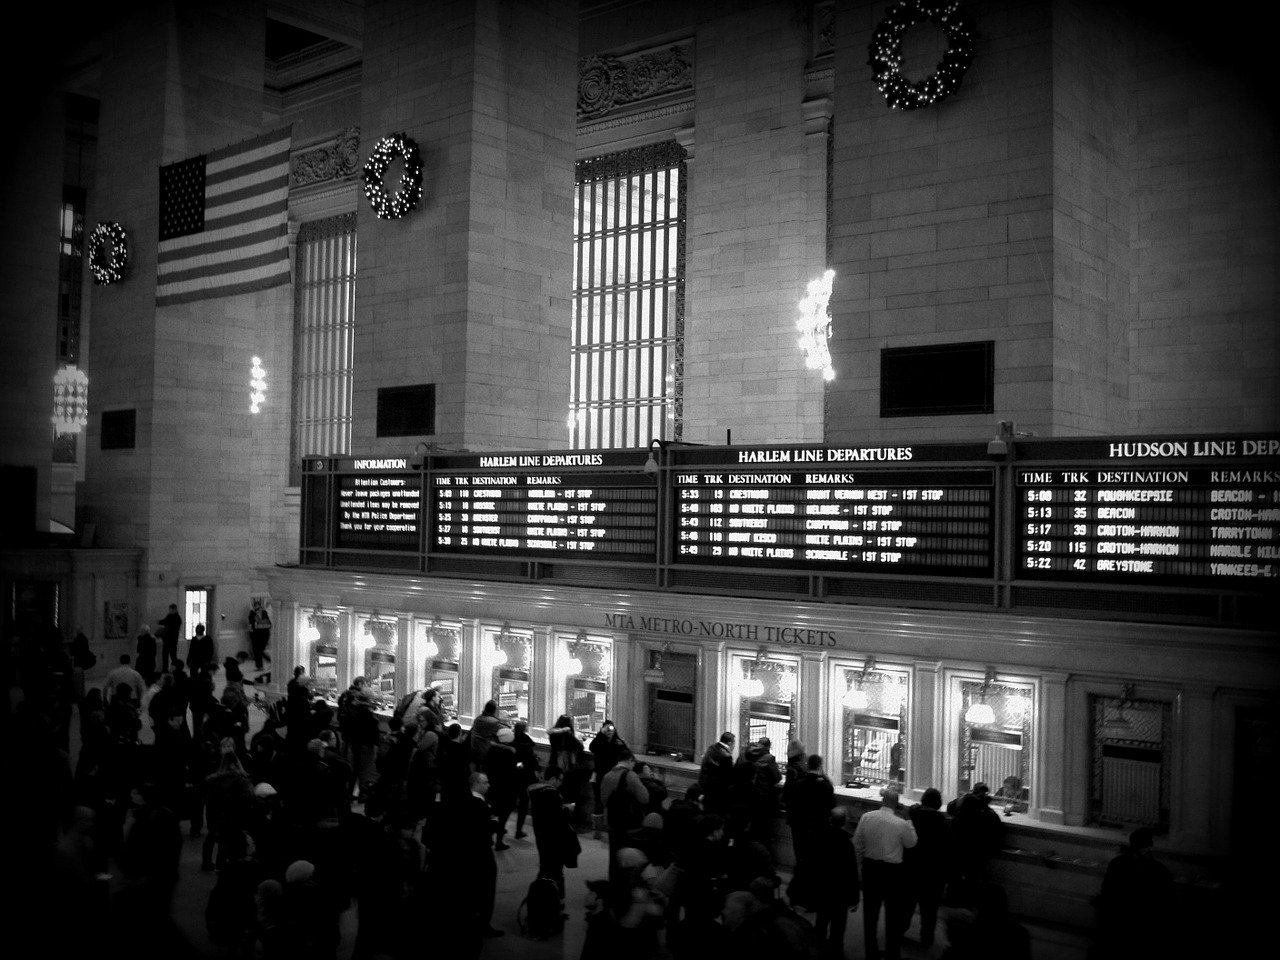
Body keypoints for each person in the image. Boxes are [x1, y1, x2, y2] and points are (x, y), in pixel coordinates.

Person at [852, 787, 917, 960]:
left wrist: (859, 868)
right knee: (893, 915)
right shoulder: (901, 823)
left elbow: (857, 844)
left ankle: (870, 953)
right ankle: (891, 953)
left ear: (882, 801)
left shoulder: (867, 818)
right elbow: (911, 843)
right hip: (893, 873)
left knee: (870, 914)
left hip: (871, 868)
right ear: (897, 805)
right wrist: (909, 819)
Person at [1095, 826, 1174, 958]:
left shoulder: (1119, 864)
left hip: (1127, 921)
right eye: (1145, 846)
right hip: (1136, 921)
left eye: (1150, 845)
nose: (1149, 849)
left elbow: (1108, 891)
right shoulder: (1158, 870)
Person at [903, 787, 949, 949]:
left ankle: (899, 933)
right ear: (938, 803)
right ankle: (926, 940)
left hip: (912, 869)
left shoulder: (912, 816)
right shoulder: (943, 824)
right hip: (933, 874)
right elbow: (946, 852)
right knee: (929, 911)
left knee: (907, 905)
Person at [529, 765, 580, 905]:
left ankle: (547, 900)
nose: (561, 783)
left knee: (546, 868)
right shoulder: (550, 793)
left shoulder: (536, 792)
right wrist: (567, 809)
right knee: (553, 871)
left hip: (543, 836)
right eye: (559, 780)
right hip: (554, 839)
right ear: (552, 778)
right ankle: (552, 902)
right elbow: (557, 819)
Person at [948, 782, 1002, 907]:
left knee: (955, 880)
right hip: (976, 856)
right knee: (973, 881)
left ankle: (954, 904)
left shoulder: (960, 811)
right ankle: (969, 905)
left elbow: (950, 807)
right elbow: (997, 832)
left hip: (958, 852)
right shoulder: (986, 814)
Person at [600, 748, 649, 883]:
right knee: (628, 856)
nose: (633, 766)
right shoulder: (630, 776)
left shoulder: (607, 776)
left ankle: (614, 884)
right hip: (629, 824)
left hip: (613, 822)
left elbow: (604, 800)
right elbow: (644, 798)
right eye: (633, 762)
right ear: (629, 760)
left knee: (614, 855)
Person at [589, 719, 630, 811]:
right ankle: (598, 822)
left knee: (612, 801)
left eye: (611, 728)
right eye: (606, 729)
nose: (609, 731)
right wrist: (600, 734)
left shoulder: (618, 743)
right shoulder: (599, 741)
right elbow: (592, 747)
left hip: (613, 775)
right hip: (599, 774)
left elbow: (627, 754)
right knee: (599, 801)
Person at [512, 718, 541, 838]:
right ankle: (519, 830)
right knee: (524, 802)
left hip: (513, 776)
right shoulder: (526, 743)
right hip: (525, 776)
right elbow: (529, 759)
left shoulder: (511, 740)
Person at [699, 731, 736, 815]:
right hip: (717, 792)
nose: (734, 747)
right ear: (730, 743)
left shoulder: (711, 748)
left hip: (705, 787)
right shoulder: (726, 756)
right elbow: (728, 776)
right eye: (734, 744)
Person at [247, 599, 272, 671]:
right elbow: (251, 622)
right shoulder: (252, 613)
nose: (257, 608)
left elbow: (267, 624)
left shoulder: (264, 613)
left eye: (258, 607)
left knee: (260, 650)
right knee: (256, 651)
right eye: (255, 606)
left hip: (263, 635)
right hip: (255, 635)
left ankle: (268, 661)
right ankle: (259, 666)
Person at [158, 604, 182, 674]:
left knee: (173, 656)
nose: (169, 611)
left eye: (171, 610)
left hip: (172, 640)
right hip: (167, 639)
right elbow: (165, 621)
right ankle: (165, 669)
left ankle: (174, 669)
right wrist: (160, 622)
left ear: (174, 609)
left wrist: (163, 623)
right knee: (165, 655)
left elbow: (172, 626)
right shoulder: (170, 616)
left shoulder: (177, 618)